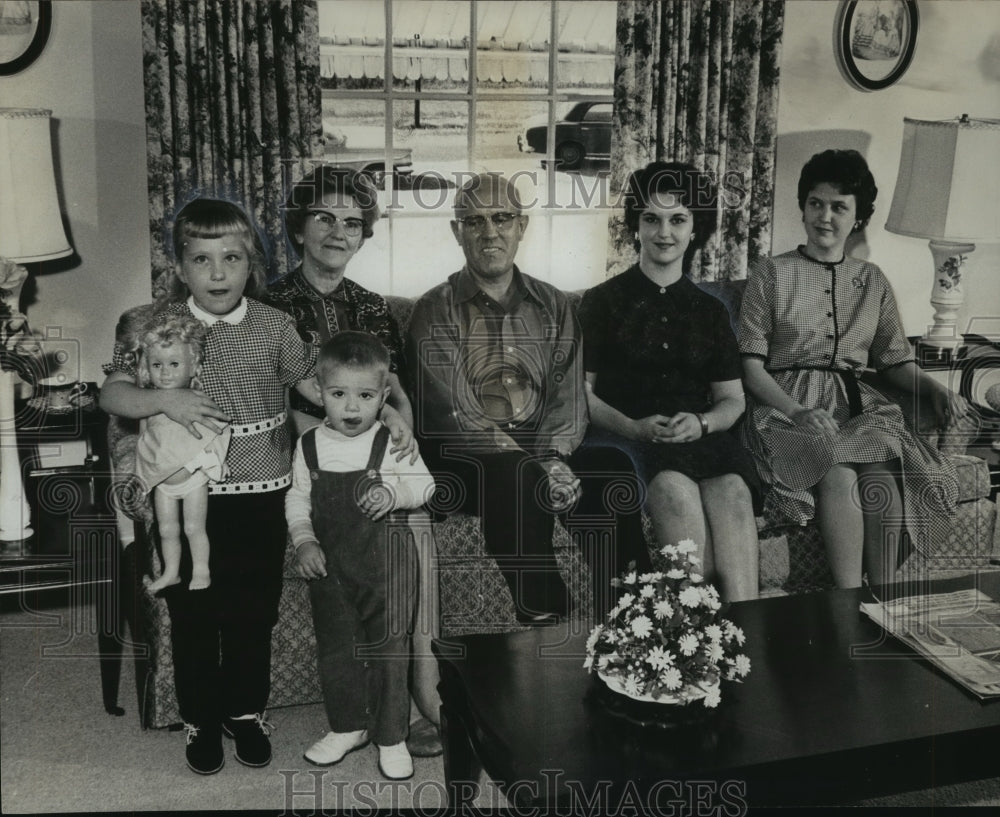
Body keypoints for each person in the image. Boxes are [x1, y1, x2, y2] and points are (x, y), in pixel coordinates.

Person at [100, 198, 317, 775]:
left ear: (253, 264)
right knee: (195, 611)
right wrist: (164, 397)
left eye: (232, 258)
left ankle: (245, 711)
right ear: (180, 265)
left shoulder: (274, 325)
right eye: (201, 259)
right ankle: (200, 715)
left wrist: (386, 408)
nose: (217, 273)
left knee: (253, 609)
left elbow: (318, 389)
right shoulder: (157, 328)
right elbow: (113, 394)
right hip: (183, 488)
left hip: (262, 488)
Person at [406, 172, 652, 626]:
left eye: (502, 218)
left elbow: (567, 396)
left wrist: (555, 459)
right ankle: (546, 620)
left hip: (541, 449)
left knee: (610, 467)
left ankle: (631, 627)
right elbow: (454, 411)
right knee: (516, 471)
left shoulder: (554, 304)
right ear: (456, 231)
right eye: (474, 221)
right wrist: (537, 464)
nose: (490, 232)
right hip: (465, 460)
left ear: (522, 225)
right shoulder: (434, 308)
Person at [268, 165, 441, 757]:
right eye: (324, 218)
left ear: (363, 234)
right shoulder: (271, 304)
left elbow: (393, 392)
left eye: (352, 222)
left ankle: (423, 691)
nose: (338, 232)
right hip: (302, 455)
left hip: (367, 451)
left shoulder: (371, 306)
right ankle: (378, 705)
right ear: (299, 228)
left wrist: (398, 436)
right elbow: (277, 401)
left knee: (409, 522)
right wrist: (331, 442)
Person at [738, 149, 969, 589]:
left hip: (856, 405)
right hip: (785, 407)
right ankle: (845, 601)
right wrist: (798, 411)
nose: (825, 217)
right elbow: (751, 368)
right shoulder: (770, 274)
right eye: (815, 203)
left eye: (839, 207)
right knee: (838, 468)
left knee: (880, 467)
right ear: (803, 206)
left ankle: (884, 600)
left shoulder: (873, 280)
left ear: (858, 217)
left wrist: (935, 391)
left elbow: (895, 359)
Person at [578, 162, 761, 602]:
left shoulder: (710, 310)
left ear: (695, 229)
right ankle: (692, 636)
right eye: (652, 219)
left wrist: (701, 424)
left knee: (735, 492)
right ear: (635, 226)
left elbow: (732, 399)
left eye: (678, 219)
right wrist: (633, 428)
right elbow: (579, 394)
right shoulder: (602, 302)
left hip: (702, 439)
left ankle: (747, 634)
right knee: (676, 494)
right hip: (629, 440)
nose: (665, 232)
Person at [286, 331, 435, 781]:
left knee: (390, 650)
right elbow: (297, 499)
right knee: (336, 649)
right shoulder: (309, 445)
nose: (351, 408)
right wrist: (304, 540)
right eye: (338, 394)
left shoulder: (391, 442)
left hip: (387, 568)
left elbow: (426, 486)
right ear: (318, 390)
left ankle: (392, 736)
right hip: (330, 570)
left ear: (383, 396)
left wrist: (394, 492)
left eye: (365, 396)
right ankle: (348, 727)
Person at [134, 311, 231, 593]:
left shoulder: (195, 400)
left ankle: (201, 570)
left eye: (174, 364)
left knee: (193, 528)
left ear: (192, 367)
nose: (165, 372)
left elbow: (216, 430)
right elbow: (144, 442)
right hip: (163, 482)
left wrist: (209, 463)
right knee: (166, 530)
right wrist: (143, 475)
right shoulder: (148, 403)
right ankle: (171, 572)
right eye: (157, 365)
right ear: (146, 367)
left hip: (192, 479)